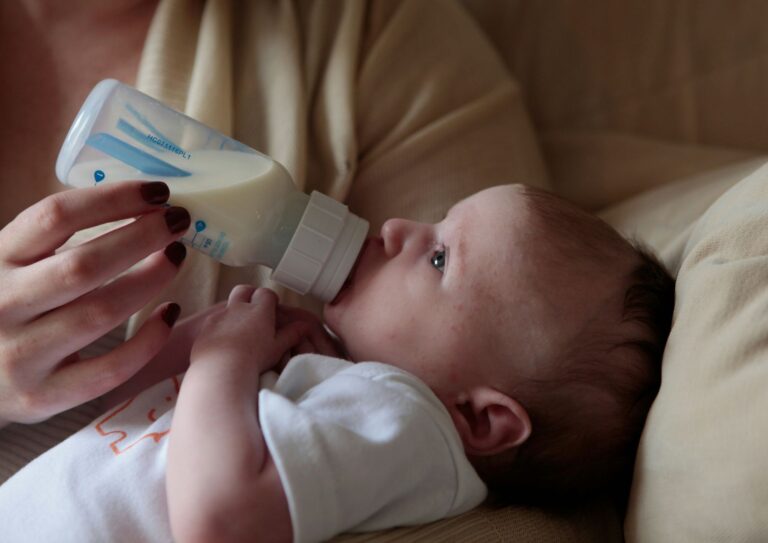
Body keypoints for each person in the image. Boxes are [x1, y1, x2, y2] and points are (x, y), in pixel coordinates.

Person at [0, 183, 675, 543]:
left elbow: (218, 521)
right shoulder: (349, 393)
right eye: (437, 222)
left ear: (479, 414)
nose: (398, 229)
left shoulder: (408, 419)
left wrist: (224, 357)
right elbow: (138, 420)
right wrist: (208, 344)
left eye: (440, 257)